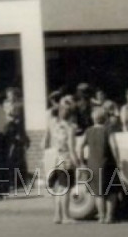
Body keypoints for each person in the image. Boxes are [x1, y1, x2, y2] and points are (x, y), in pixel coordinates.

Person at [78, 107, 119, 224]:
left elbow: (80, 146)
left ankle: (101, 216)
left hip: (92, 164)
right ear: (105, 118)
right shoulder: (108, 130)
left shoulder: (88, 131)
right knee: (112, 191)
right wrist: (118, 161)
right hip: (108, 163)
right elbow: (114, 147)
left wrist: (82, 162)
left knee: (97, 192)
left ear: (93, 119)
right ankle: (109, 216)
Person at [47, 96, 80, 224]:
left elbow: (47, 140)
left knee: (58, 188)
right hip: (65, 159)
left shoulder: (53, 124)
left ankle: (57, 215)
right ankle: (66, 216)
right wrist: (78, 163)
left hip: (54, 158)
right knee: (65, 188)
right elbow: (72, 148)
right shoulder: (70, 127)